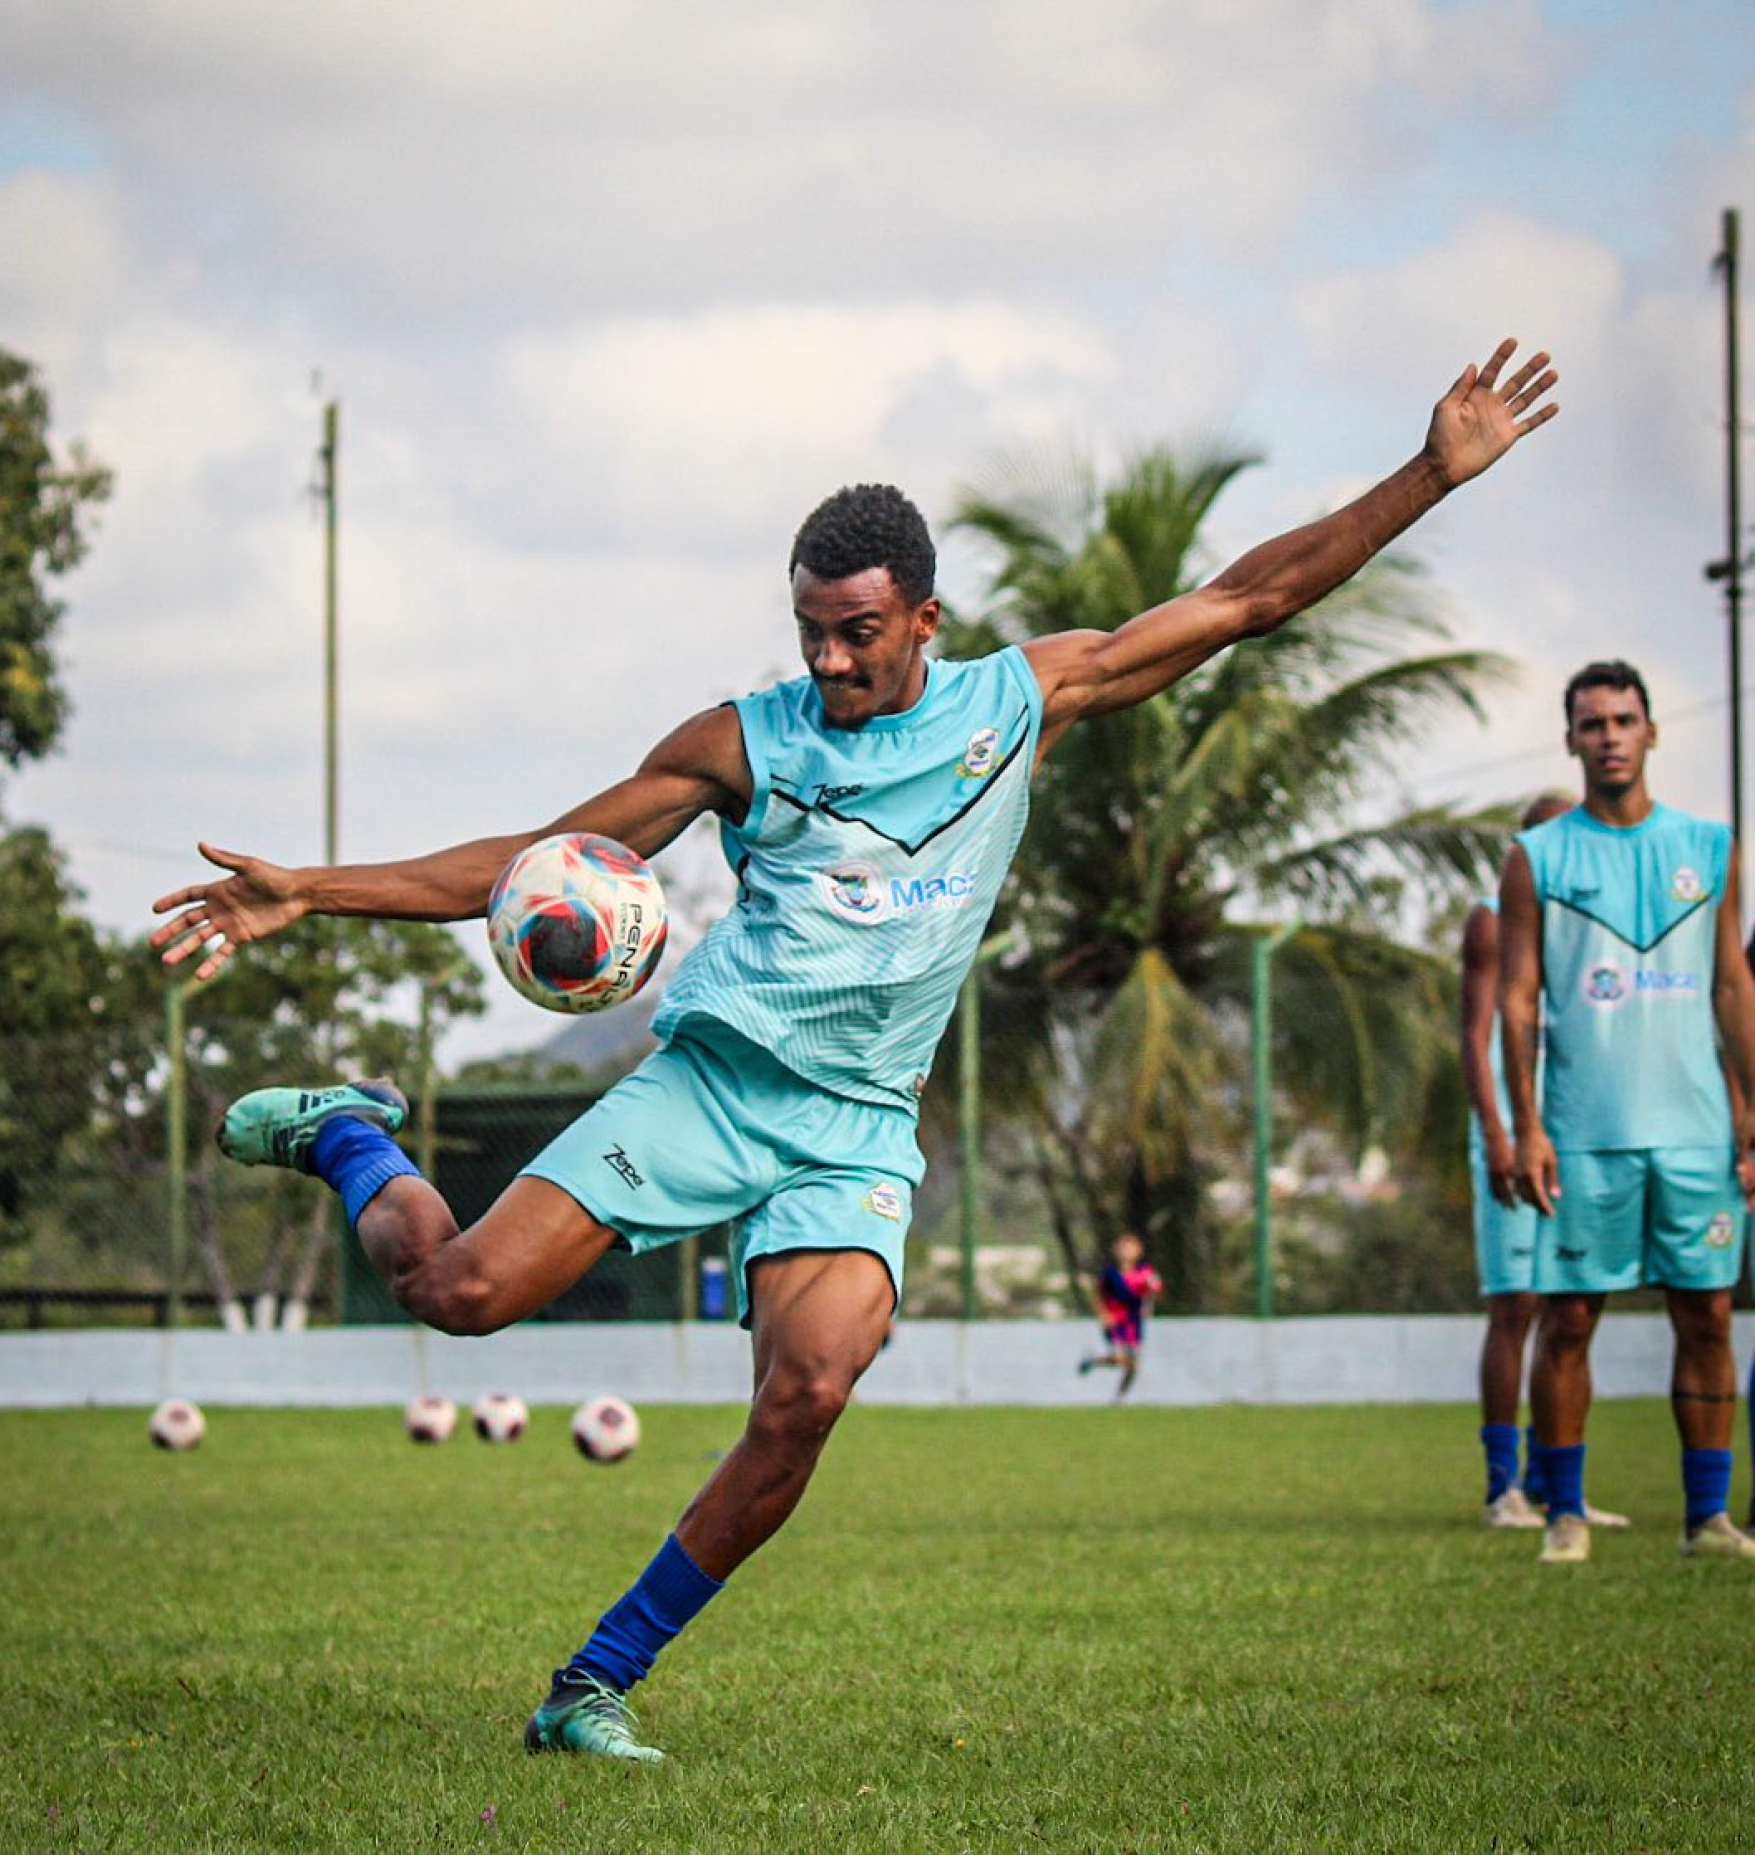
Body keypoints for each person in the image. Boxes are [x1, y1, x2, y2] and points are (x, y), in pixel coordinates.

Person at [154, 338, 1557, 1759]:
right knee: (457, 1292)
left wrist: (1430, 474)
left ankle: (591, 1686)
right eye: (810, 631)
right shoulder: (743, 742)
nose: (826, 660)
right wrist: (311, 891)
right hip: (716, 1083)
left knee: (808, 1393)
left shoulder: (1020, 704)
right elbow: (539, 859)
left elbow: (1249, 599)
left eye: (856, 635)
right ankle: (349, 1134)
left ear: (925, 619)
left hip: (860, 1123)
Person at [1502, 660, 1755, 1564]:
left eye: (1623, 720)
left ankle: (1709, 1519)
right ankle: (1564, 1512)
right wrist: (1528, 1123)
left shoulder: (1712, 846)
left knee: (1710, 1317)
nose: (1608, 736)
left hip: (1695, 1131)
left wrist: (1751, 1109)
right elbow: (1520, 1000)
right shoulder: (1536, 857)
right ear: (1570, 740)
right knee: (1568, 1320)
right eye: (1592, 723)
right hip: (1583, 1134)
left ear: (1651, 732)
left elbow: (1732, 982)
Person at [1460, 789, 1627, 1531]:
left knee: (1573, 1306)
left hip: (1573, 1131)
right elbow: (1475, 1034)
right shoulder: (1493, 918)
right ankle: (1504, 1489)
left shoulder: (1590, 924)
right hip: (1510, 1130)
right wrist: (1496, 1131)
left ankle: (1558, 1482)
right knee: (1516, 1305)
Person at [1077, 1233, 1161, 1397]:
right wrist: (1103, 1314)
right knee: (1118, 1357)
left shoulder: (1145, 1272)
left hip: (1134, 1322)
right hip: (1114, 1320)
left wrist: (1149, 1304)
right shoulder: (1110, 1273)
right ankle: (1093, 1360)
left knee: (1133, 1366)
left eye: (1130, 1248)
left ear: (1139, 1251)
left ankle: (1119, 1397)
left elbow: (1154, 1291)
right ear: (1116, 1251)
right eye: (1123, 1248)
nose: (1126, 1251)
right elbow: (1098, 1294)